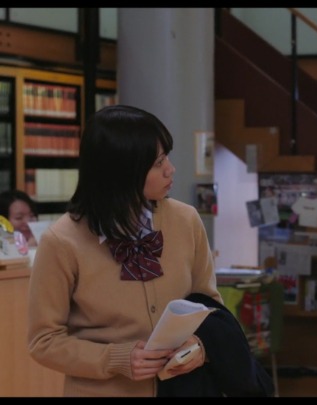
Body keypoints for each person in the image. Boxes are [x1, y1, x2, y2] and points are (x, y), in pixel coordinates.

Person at [26, 105, 223, 397]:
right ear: (122, 170)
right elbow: (43, 340)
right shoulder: (61, 241)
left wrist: (200, 346)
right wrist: (114, 359)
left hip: (184, 389)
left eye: (166, 157)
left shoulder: (186, 220)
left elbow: (210, 305)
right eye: (158, 163)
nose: (170, 169)